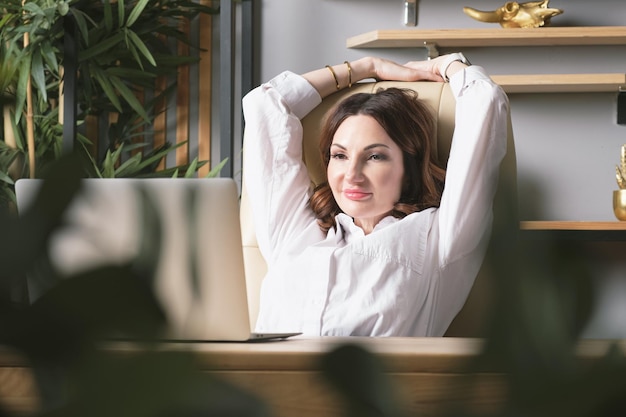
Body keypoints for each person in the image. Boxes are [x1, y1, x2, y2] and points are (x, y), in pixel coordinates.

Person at [241, 54, 509, 337]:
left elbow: (485, 100)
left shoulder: (439, 238)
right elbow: (265, 104)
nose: (352, 174)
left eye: (375, 156)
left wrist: (442, 66)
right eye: (340, 155)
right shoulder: (295, 232)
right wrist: (365, 67)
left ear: (409, 166)